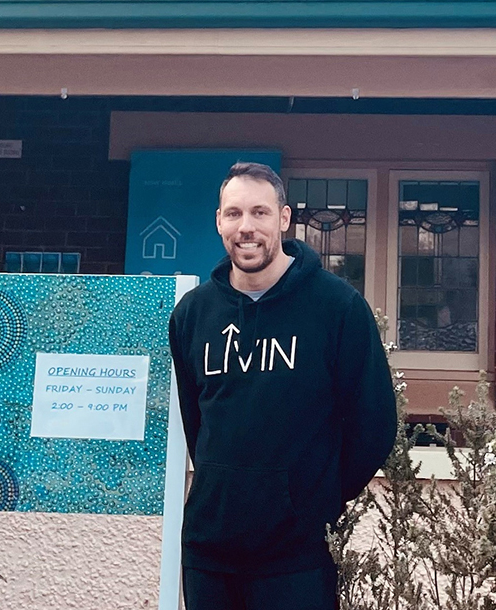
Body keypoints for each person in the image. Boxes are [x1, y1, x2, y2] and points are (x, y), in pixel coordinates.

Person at [168, 162, 397, 610]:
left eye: (260, 212)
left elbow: (374, 424)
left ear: (285, 218)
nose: (246, 227)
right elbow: (197, 424)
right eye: (233, 214)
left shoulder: (337, 308)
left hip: (297, 555)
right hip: (208, 550)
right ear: (218, 222)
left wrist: (314, 498)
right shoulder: (193, 315)